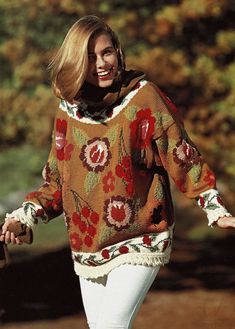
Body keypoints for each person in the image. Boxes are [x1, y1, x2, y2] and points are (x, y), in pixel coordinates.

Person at [0, 15, 235, 329]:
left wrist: (213, 207)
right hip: (87, 245)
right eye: (90, 57)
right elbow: (57, 180)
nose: (101, 63)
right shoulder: (68, 111)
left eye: (107, 52)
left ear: (118, 52)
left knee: (111, 326)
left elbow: (181, 154)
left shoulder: (144, 98)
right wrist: (23, 217)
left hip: (141, 235)